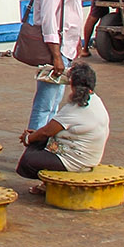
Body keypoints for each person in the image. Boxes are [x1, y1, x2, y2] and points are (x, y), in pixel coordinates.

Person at [15, 62, 108, 195]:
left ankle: (49, 184)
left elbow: (47, 131)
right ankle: (48, 182)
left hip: (76, 161)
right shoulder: (96, 100)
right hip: (90, 157)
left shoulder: (74, 108)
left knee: (28, 159)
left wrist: (28, 138)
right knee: (40, 140)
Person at [26, 0, 85, 131]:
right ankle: (35, 144)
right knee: (46, 103)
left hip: (65, 46)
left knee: (53, 102)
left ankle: (40, 142)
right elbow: (49, 15)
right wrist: (56, 54)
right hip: (56, 47)